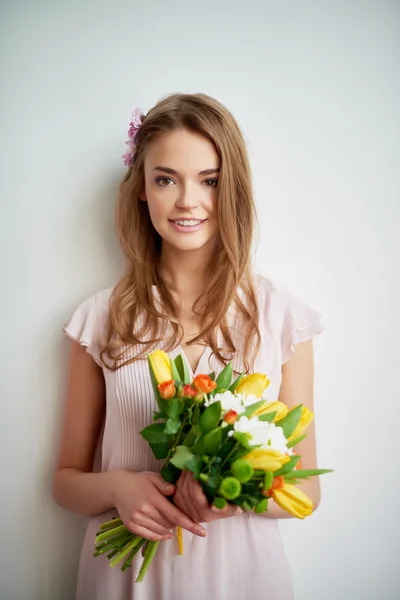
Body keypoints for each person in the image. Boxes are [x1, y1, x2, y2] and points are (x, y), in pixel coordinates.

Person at [53, 93, 325, 600]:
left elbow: (305, 490)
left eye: (209, 180)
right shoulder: (99, 318)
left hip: (243, 581)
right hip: (125, 581)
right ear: (142, 190)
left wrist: (234, 493)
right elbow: (65, 481)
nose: (186, 201)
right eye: (165, 179)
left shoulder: (281, 318)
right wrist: (118, 487)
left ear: (233, 189)